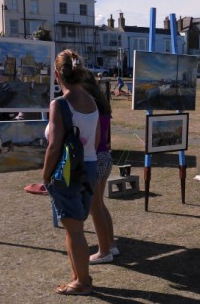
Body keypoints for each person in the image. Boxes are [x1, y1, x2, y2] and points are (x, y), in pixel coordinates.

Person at [42, 49, 99, 295]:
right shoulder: (91, 100)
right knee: (73, 226)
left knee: (74, 229)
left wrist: (46, 176)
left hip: (67, 172)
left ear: (57, 74)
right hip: (89, 167)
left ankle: (83, 282)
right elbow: (95, 140)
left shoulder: (60, 104)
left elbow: (54, 145)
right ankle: (77, 276)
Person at [81, 70, 120, 264]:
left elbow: (95, 139)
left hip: (96, 157)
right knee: (100, 205)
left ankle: (104, 251)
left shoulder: (90, 105)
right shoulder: (102, 104)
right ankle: (110, 243)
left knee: (94, 207)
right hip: (105, 156)